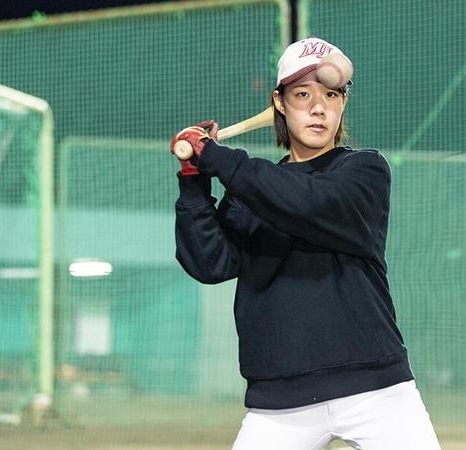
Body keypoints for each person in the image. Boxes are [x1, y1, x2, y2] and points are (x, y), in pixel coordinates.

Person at [171, 36, 441, 450]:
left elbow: (307, 203)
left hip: (376, 390)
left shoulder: (364, 170)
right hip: (280, 401)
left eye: (331, 94)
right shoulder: (250, 189)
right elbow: (211, 264)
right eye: (302, 94)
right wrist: (194, 180)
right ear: (279, 103)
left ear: (343, 103)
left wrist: (222, 160)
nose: (318, 108)